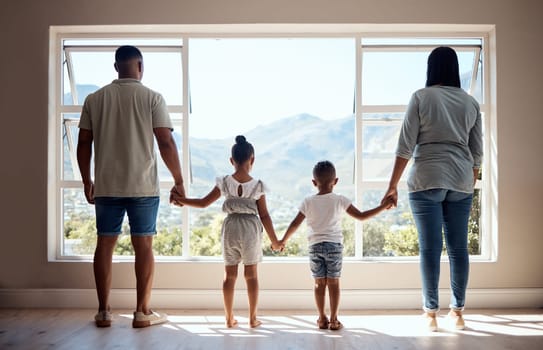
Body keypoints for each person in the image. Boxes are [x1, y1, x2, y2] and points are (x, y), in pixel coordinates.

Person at [77, 45, 185, 328]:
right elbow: (165, 143)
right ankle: (142, 312)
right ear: (141, 67)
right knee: (144, 246)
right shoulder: (152, 98)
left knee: (104, 244)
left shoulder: (95, 98)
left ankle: (103, 311)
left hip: (107, 185)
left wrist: (87, 180)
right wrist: (179, 180)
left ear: (116, 67)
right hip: (143, 188)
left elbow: (83, 144)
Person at [381, 46, 483, 331]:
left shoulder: (421, 97)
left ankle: (431, 314)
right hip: (460, 180)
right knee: (458, 248)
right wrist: (468, 177)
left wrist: (392, 185)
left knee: (430, 248)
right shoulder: (470, 102)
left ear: (431, 68)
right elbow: (477, 151)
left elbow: (405, 146)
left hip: (426, 177)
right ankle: (458, 313)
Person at [171, 135, 282, 328]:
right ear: (252, 159)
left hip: (231, 228)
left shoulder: (224, 182)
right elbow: (264, 216)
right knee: (252, 275)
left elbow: (203, 203)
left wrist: (182, 200)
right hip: (250, 230)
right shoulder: (258, 186)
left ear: (231, 161)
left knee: (229, 275)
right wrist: (275, 240)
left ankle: (229, 318)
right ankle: (253, 318)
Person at [279, 160, 392, 331]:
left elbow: (295, 224)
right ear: (336, 181)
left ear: (313, 182)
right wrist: (383, 207)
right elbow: (361, 216)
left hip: (315, 246)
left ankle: (321, 318)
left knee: (319, 284)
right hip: (334, 247)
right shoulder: (340, 200)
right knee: (334, 283)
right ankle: (333, 319)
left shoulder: (308, 201)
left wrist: (283, 240)